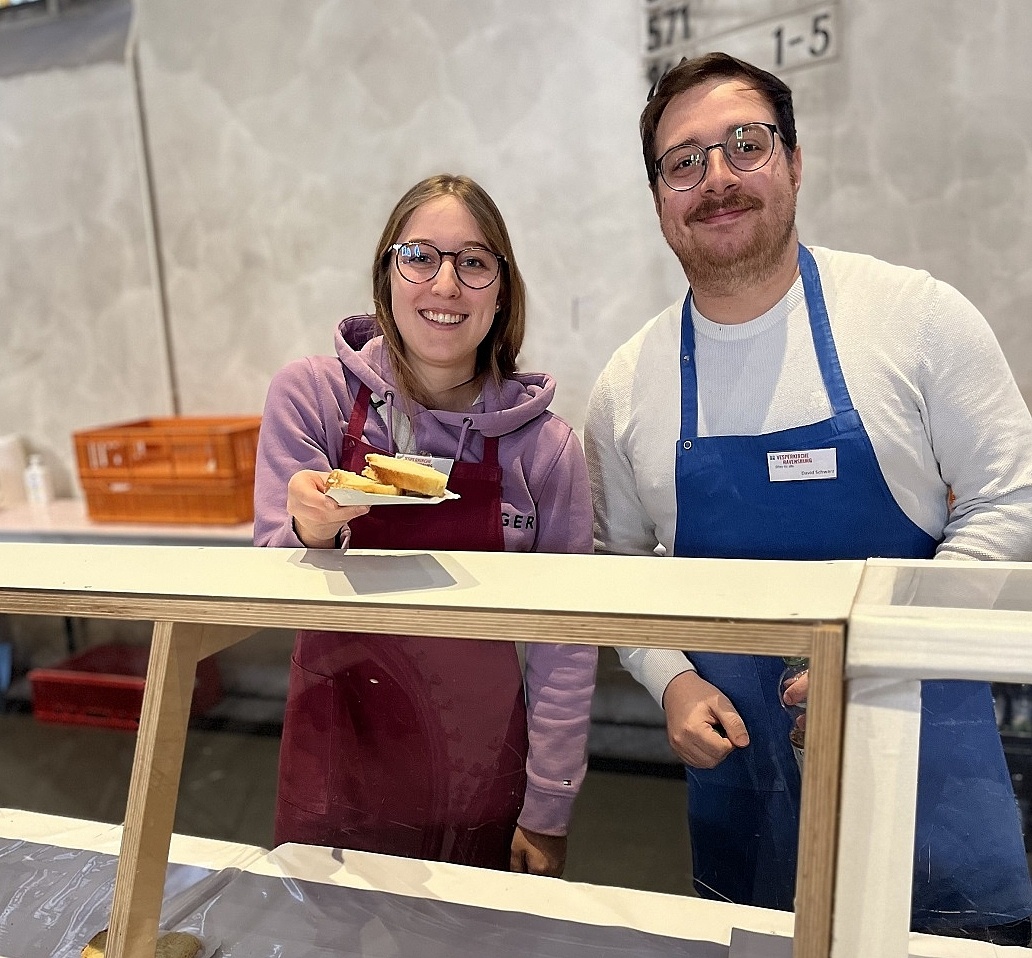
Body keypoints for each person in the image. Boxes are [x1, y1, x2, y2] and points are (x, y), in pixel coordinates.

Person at [583, 52, 1032, 943]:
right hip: (739, 779)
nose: (717, 179)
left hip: (925, 763)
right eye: (685, 160)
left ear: (793, 159)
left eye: (745, 144)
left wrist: (881, 655)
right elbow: (615, 566)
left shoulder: (914, 318)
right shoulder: (627, 384)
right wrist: (670, 679)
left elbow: (1010, 499)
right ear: (658, 194)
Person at [254, 173, 597, 877]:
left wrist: (550, 804)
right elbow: (268, 578)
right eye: (419, 256)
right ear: (386, 276)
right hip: (334, 763)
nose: (445, 284)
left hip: (479, 773)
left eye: (473, 262)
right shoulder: (311, 398)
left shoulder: (547, 448)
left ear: (502, 292)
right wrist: (313, 527)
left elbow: (569, 641)